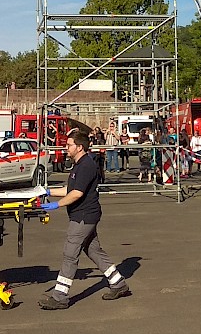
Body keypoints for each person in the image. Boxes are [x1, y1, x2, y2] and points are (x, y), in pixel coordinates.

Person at [38, 131, 132, 310]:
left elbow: (77, 194)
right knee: (94, 251)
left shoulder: (86, 165)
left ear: (79, 147)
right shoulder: (79, 165)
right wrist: (48, 192)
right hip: (85, 215)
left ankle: (59, 297)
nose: (66, 148)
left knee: (70, 254)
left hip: (83, 217)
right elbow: (70, 189)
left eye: (69, 145)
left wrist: (56, 205)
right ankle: (119, 283)